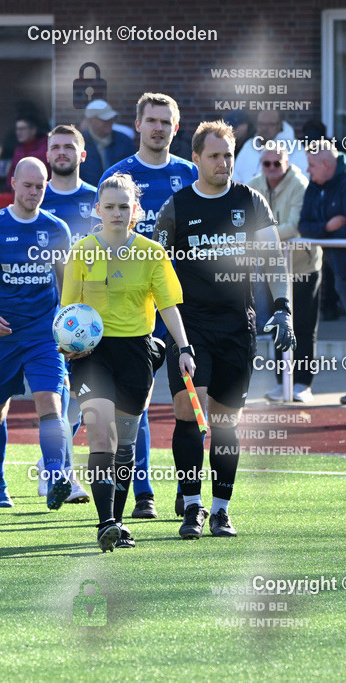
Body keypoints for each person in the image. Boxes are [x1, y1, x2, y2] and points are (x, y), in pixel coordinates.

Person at [154, 120, 296, 540]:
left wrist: (285, 309)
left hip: (238, 326)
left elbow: (272, 258)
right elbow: (156, 267)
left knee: (225, 422)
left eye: (229, 155)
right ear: (195, 158)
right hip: (190, 328)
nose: (223, 163)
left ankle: (221, 510)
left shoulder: (251, 200)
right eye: (214, 156)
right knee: (188, 413)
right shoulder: (177, 206)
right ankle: (192, 506)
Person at [62, 174, 194, 551]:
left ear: (135, 210)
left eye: (124, 206)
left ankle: (118, 522)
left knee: (125, 444)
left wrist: (183, 348)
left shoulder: (152, 252)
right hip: (92, 354)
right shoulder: (82, 251)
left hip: (137, 353)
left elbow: (168, 305)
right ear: (97, 210)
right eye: (109, 207)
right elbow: (68, 309)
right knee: (101, 431)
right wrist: (67, 345)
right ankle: (105, 522)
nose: (117, 213)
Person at [98, 92, 197, 519]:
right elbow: (100, 246)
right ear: (137, 124)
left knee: (186, 401)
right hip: (132, 310)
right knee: (131, 406)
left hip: (180, 307)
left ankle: (188, 489)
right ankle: (142, 490)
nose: (158, 127)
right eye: (151, 120)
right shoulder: (117, 176)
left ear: (176, 128)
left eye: (166, 121)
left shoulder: (191, 173)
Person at [0, 158, 72, 510]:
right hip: (0, 337)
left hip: (43, 335)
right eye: (28, 185)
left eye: (40, 186)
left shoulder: (56, 229)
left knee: (49, 403)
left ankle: (55, 477)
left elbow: (68, 284)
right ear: (13, 183)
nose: (34, 192)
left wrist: (68, 328)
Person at [38, 124, 98, 504]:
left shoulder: (99, 199)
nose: (62, 152)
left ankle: (57, 468)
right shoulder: (35, 200)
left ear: (82, 155)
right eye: (56, 147)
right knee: (56, 397)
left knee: (83, 400)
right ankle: (59, 474)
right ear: (47, 155)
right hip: (48, 316)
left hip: (94, 316)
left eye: (69, 147)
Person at [248, 146, 316, 403]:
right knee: (279, 324)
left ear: (287, 162)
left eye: (277, 163)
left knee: (304, 326)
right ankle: (282, 382)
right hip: (272, 267)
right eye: (267, 164)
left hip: (303, 266)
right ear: (261, 164)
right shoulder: (254, 184)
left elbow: (297, 225)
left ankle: (302, 383)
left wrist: (263, 234)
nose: (272, 168)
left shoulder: (300, 183)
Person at [298, 142, 346, 405]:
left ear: (327, 165)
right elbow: (304, 226)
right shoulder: (315, 185)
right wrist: (329, 225)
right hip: (340, 269)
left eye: (312, 164)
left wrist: (325, 230)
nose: (307, 170)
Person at [232, 110, 308, 184]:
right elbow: (235, 176)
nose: (265, 128)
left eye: (270, 124)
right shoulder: (249, 145)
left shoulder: (294, 147)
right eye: (261, 124)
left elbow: (302, 179)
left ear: (280, 125)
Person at [79, 100, 136, 187]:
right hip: (90, 196)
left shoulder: (124, 141)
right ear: (92, 121)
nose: (109, 121)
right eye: (104, 119)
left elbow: (134, 170)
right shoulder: (80, 143)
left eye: (111, 118)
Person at [3, 116, 48, 186]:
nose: (18, 132)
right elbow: (11, 173)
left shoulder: (44, 148)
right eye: (17, 129)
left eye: (22, 129)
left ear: (33, 130)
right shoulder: (18, 150)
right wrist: (11, 187)